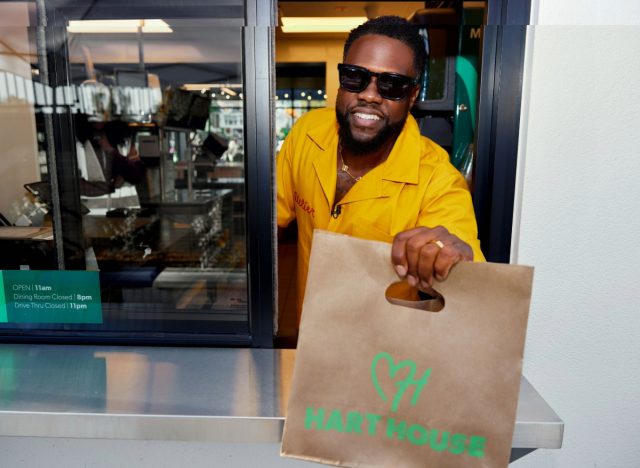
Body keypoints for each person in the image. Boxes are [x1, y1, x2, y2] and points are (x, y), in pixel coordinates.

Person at [277, 16, 485, 322]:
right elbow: (270, 220)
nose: (370, 95)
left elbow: (472, 283)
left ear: (412, 96)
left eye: (392, 85)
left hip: (384, 360)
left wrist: (453, 258)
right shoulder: (307, 133)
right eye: (355, 77)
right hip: (307, 336)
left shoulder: (438, 180)